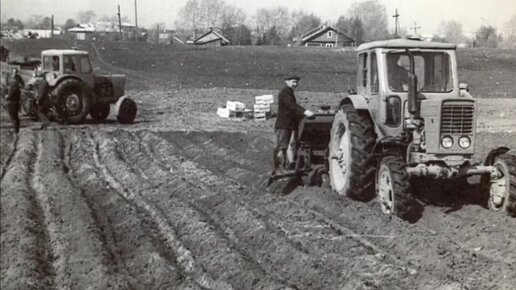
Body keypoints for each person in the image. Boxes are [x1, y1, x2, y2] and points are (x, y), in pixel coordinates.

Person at [273, 74, 314, 173]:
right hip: (283, 125)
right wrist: (304, 112)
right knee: (282, 147)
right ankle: (279, 169)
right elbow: (291, 105)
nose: (295, 84)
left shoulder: (290, 93)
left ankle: (287, 166)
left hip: (289, 125)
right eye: (293, 82)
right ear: (286, 82)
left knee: (289, 146)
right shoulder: (284, 93)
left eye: (296, 82)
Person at [4, 68, 25, 133]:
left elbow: (22, 84)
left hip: (13, 100)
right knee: (15, 117)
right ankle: (16, 131)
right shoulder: (11, 78)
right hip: (14, 99)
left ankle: (16, 132)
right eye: (13, 72)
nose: (14, 73)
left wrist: (7, 96)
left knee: (14, 117)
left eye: (15, 72)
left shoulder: (17, 79)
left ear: (17, 72)